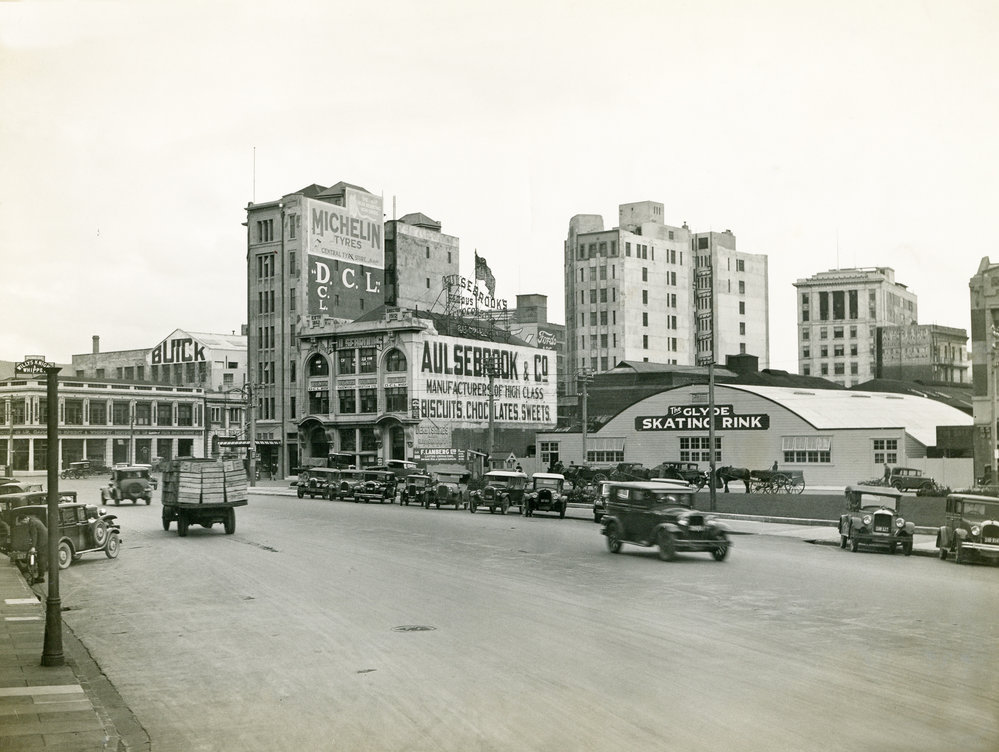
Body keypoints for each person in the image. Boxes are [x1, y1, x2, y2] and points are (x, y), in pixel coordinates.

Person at [17, 514, 47, 584]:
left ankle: (41, 578)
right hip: (43, 540)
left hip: (43, 542)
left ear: (25, 519)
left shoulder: (32, 523)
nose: (23, 524)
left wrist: (33, 547)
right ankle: (36, 574)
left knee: (41, 559)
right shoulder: (34, 519)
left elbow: (34, 535)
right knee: (39, 558)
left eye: (22, 523)